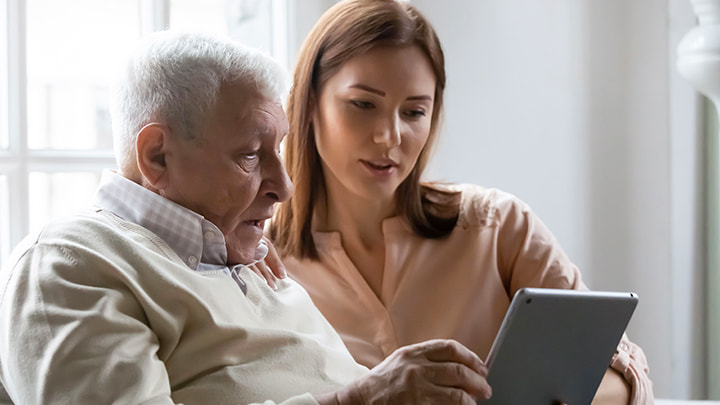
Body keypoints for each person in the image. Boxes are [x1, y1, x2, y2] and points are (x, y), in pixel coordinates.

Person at [0, 30, 494, 404]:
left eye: (276, 149)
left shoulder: (241, 254)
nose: (285, 186)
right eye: (251, 155)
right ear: (157, 156)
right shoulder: (71, 263)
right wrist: (358, 400)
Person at [268, 0, 654, 404]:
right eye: (363, 104)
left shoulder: (498, 228)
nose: (390, 136)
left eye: (414, 111)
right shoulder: (261, 267)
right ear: (309, 103)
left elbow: (626, 376)